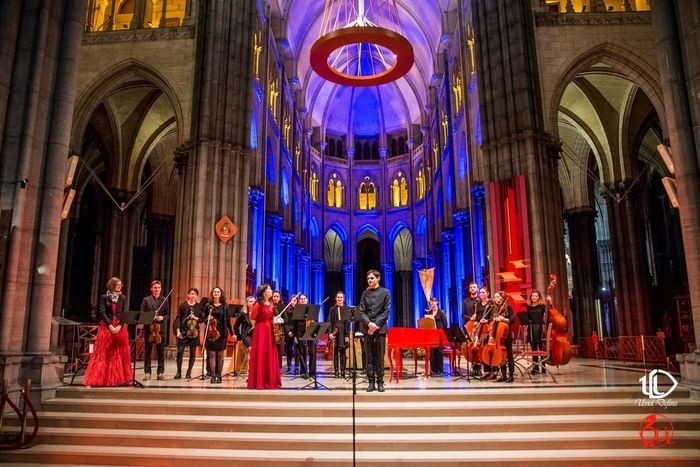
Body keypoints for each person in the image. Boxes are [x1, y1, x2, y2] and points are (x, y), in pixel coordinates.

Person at [84, 277, 132, 387]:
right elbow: (102, 312)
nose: (120, 286)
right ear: (112, 285)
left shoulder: (123, 297)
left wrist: (120, 325)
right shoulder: (104, 297)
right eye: (118, 284)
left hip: (119, 327)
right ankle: (101, 379)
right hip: (107, 326)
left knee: (119, 353)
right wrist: (110, 325)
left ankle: (119, 379)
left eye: (121, 284)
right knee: (104, 352)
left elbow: (124, 312)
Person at [357, 269, 391, 393]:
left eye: (372, 278)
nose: (369, 280)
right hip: (367, 329)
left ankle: (380, 382)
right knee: (369, 356)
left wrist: (375, 325)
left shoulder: (386, 292)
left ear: (378, 278)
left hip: (380, 329)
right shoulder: (364, 294)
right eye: (368, 279)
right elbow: (361, 311)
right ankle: (371, 382)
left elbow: (386, 311)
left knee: (379, 357)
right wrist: (369, 324)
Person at [248, 283, 282, 389]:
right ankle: (259, 381)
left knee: (270, 354)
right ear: (264, 292)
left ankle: (270, 380)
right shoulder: (258, 304)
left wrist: (275, 320)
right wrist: (261, 327)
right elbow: (253, 319)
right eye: (270, 289)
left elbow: (272, 317)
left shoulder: (271, 303)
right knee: (261, 354)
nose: (272, 291)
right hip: (261, 331)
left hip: (270, 331)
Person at [140, 280, 169, 381]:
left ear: (160, 289)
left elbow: (167, 315)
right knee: (148, 351)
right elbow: (142, 314)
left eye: (159, 288)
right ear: (151, 289)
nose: (157, 289)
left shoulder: (164, 300)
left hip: (160, 329)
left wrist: (162, 317)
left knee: (160, 352)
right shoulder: (146, 300)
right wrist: (150, 317)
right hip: (150, 329)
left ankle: (160, 372)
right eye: (155, 287)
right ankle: (147, 372)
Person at [203, 286, 232, 384]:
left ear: (221, 294)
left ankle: (219, 375)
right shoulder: (208, 306)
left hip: (222, 332)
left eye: (218, 292)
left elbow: (228, 321)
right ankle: (213, 375)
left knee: (220, 355)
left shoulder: (225, 306)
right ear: (212, 294)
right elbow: (203, 318)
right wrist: (207, 317)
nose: (216, 293)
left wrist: (232, 333)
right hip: (211, 332)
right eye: (214, 292)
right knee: (211, 354)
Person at [174, 287, 203, 379]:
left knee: (193, 353)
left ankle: (189, 371)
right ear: (188, 295)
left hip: (194, 332)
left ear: (197, 296)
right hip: (183, 331)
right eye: (191, 293)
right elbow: (178, 318)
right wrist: (178, 330)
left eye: (195, 294)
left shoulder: (199, 306)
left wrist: (196, 318)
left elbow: (202, 319)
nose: (193, 295)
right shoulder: (182, 305)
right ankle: (179, 372)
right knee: (180, 352)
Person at [490, 291, 514, 383]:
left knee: (509, 356)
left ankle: (511, 375)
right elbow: (492, 319)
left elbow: (512, 320)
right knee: (501, 355)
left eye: (497, 297)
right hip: (498, 336)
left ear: (502, 298)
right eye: (495, 297)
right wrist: (494, 319)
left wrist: (504, 319)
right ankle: (503, 375)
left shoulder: (508, 307)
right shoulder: (494, 308)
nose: (496, 299)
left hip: (506, 336)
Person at [229, 295, 255, 375]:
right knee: (251, 350)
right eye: (251, 301)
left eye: (254, 301)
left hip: (255, 335)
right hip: (246, 336)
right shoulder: (243, 314)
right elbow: (235, 326)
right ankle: (249, 372)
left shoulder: (257, 313)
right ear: (247, 303)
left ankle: (254, 371)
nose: (253, 303)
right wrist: (239, 336)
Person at [328, 291, 349, 378]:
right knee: (335, 353)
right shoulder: (332, 309)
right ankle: (336, 372)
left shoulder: (346, 309)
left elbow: (347, 323)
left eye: (341, 297)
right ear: (336, 298)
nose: (340, 299)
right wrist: (330, 333)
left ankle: (343, 371)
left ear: (343, 299)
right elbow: (329, 322)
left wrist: (347, 335)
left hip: (343, 333)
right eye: (338, 297)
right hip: (335, 332)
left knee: (343, 353)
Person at [526, 290, 547, 374]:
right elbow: (528, 318)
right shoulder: (529, 307)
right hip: (531, 329)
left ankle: (544, 368)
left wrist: (550, 302)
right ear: (531, 297)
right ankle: (535, 368)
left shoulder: (542, 306)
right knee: (534, 349)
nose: (534, 297)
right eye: (533, 296)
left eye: (536, 296)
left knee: (541, 348)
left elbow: (548, 313)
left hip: (540, 329)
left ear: (539, 297)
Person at [426, 296, 448, 375]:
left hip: (439, 334)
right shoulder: (429, 312)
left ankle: (440, 370)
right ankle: (433, 370)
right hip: (432, 334)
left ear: (437, 302)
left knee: (439, 352)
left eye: (433, 301)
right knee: (432, 352)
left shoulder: (441, 312)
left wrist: (443, 334)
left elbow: (445, 323)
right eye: (431, 302)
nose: (432, 303)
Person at [283, 293, 299, 373]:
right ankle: (289, 366)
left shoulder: (300, 310)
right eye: (292, 300)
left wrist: (296, 333)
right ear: (290, 301)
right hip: (289, 332)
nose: (294, 302)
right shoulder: (286, 310)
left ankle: (296, 367)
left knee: (297, 350)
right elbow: (285, 322)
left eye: (295, 300)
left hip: (297, 332)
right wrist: (288, 331)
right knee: (289, 350)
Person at [271, 291, 285, 368]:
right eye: (274, 296)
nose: (275, 298)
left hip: (280, 331)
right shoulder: (269, 306)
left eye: (277, 296)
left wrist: (281, 320)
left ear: (279, 298)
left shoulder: (282, 307)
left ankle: (278, 367)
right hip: (270, 331)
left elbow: (286, 319)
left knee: (279, 351)